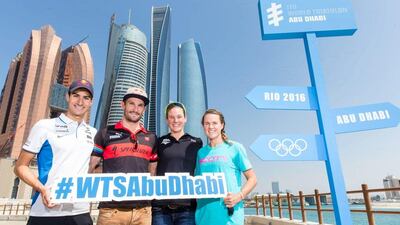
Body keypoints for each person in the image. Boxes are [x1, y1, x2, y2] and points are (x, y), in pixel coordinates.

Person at [14, 79, 96, 225]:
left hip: (80, 212)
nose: (80, 101)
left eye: (86, 97)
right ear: (67, 97)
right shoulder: (44, 126)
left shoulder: (93, 133)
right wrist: (42, 189)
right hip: (45, 212)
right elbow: (20, 166)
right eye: (76, 95)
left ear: (91, 102)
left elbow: (92, 169)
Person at [89, 87, 157, 225]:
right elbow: (90, 168)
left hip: (143, 211)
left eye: (140, 106)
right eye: (131, 103)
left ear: (144, 110)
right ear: (122, 104)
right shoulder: (105, 133)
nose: (135, 109)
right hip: (111, 211)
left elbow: (152, 172)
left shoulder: (152, 137)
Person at [195, 109, 257, 225]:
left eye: (214, 123)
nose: (210, 127)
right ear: (203, 126)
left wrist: (239, 196)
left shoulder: (235, 148)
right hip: (204, 216)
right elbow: (197, 183)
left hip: (229, 218)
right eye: (207, 123)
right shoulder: (200, 153)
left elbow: (253, 179)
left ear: (222, 125)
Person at [152, 102, 203, 225]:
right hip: (160, 208)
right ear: (166, 120)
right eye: (171, 117)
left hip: (187, 208)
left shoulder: (196, 143)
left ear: (185, 118)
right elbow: (152, 169)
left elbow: (202, 171)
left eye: (179, 117)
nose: (176, 120)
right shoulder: (158, 142)